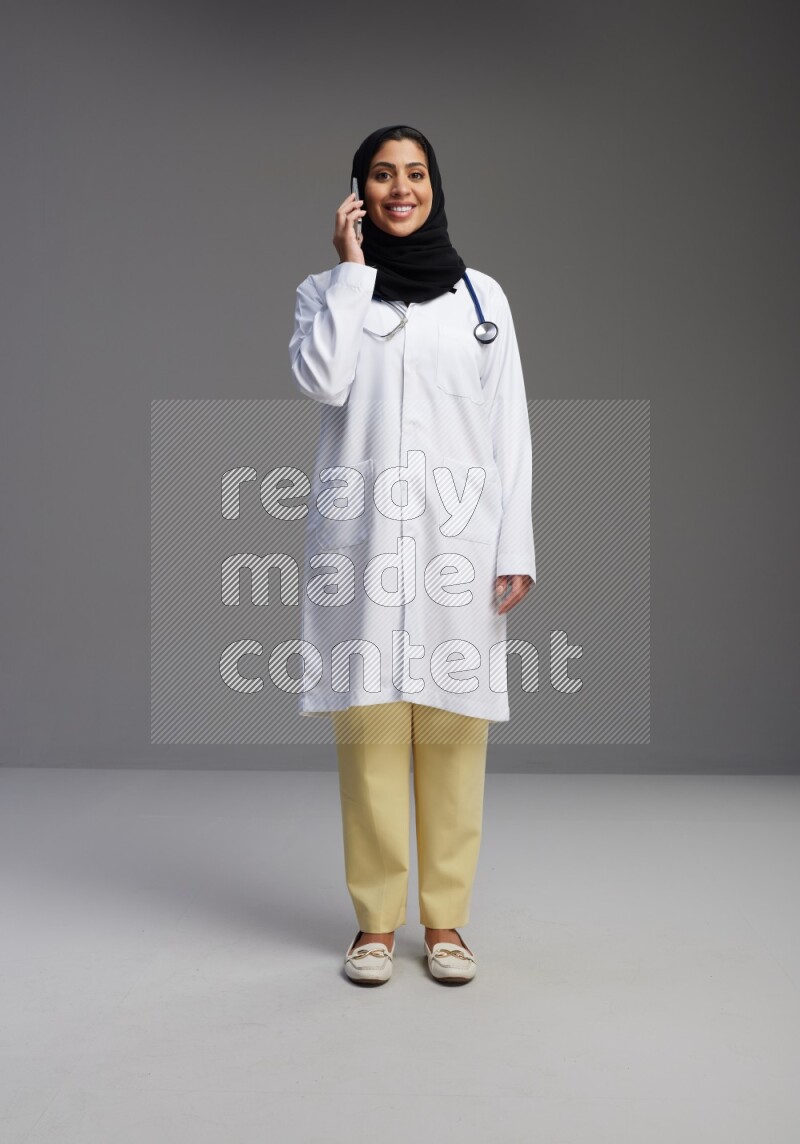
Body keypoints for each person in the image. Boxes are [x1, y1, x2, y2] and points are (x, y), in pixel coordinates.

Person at [288, 125, 536, 985]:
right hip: (364, 544)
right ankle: (373, 925)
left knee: (454, 738)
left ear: (436, 185)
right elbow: (322, 381)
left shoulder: (483, 300)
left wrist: (516, 545)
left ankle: (447, 924)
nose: (402, 189)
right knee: (371, 736)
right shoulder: (326, 292)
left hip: (456, 545)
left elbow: (511, 429)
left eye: (416, 173)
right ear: (358, 191)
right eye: (383, 176)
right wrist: (353, 273)